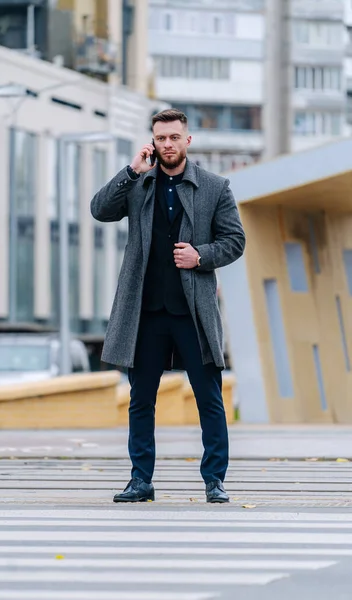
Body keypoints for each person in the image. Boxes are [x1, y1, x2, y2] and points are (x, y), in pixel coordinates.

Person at [91, 108, 245, 503]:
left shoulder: (215, 187)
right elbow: (100, 209)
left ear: (187, 140)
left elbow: (235, 241)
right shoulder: (139, 183)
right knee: (141, 399)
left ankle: (214, 480)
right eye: (161, 138)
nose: (168, 144)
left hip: (193, 312)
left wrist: (201, 255)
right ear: (153, 142)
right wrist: (130, 171)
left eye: (174, 137)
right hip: (146, 311)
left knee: (208, 398)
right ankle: (141, 480)